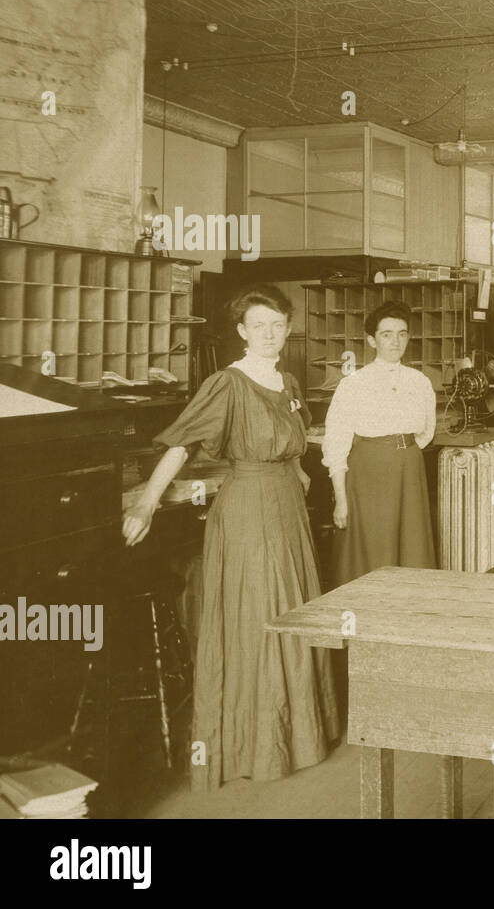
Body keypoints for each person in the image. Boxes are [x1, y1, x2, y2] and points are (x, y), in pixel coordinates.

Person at [122, 284, 339, 790]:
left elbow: (291, 443)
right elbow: (181, 444)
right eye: (258, 325)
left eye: (277, 324)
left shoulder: (286, 379)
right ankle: (257, 746)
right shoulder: (228, 382)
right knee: (257, 618)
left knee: (291, 611)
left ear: (288, 328)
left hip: (287, 509)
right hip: (249, 513)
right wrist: (146, 504)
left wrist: (300, 474)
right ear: (242, 332)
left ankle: (298, 737)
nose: (269, 334)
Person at [322, 300, 438, 586]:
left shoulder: (420, 381)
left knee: (411, 547)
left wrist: (400, 453)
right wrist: (341, 498)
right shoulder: (354, 383)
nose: (395, 341)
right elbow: (336, 444)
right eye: (387, 334)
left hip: (409, 470)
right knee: (374, 550)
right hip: (369, 475)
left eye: (402, 333)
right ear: (372, 340)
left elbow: (425, 433)